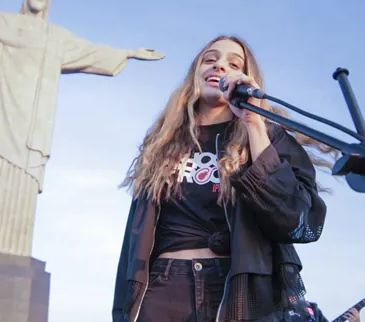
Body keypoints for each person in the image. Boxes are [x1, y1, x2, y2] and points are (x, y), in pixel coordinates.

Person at [112, 35, 337, 321]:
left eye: (233, 63)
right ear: (195, 73)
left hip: (238, 290)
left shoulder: (267, 137)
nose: (219, 66)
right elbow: (133, 244)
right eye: (210, 59)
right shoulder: (162, 143)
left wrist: (253, 124)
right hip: (164, 286)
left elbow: (299, 221)